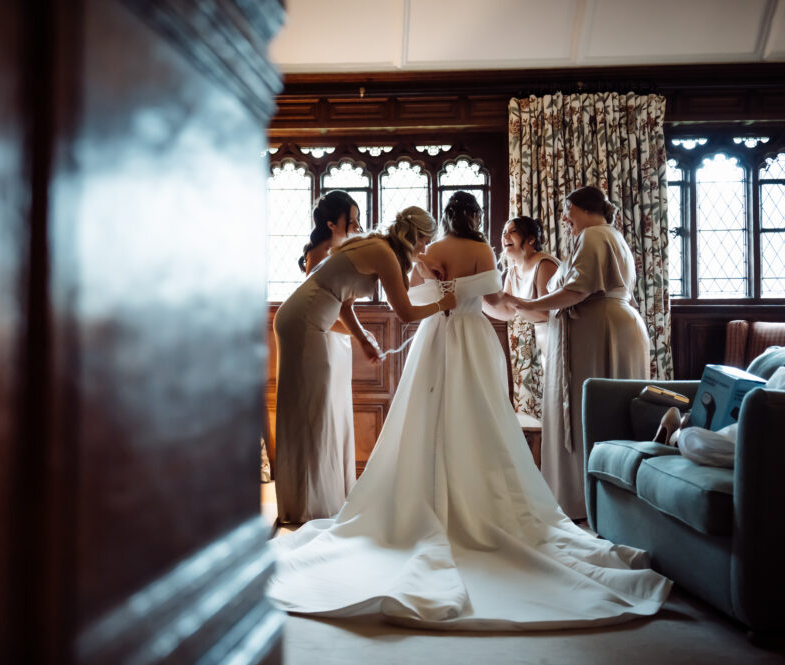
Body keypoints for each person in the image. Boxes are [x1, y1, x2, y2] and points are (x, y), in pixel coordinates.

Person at [267, 191, 670, 630]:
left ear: (444, 219)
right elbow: (493, 303)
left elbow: (418, 299)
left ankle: (417, 501)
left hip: (435, 337)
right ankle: (479, 498)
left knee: (424, 415)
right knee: (482, 417)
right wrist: (513, 308)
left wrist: (440, 290)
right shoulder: (481, 250)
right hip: (473, 336)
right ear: (475, 217)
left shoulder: (431, 251)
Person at [273, 205, 455, 524]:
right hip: (303, 323)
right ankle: (305, 507)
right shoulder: (382, 251)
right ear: (414, 235)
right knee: (309, 413)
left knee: (322, 412)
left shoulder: (376, 246)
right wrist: (443, 304)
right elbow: (406, 312)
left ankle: (320, 500)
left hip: (308, 320)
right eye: (425, 241)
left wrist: (362, 337)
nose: (424, 248)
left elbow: (342, 301)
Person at [510, 186, 651, 521]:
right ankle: (596, 501)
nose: (564, 218)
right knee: (603, 412)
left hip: (601, 334)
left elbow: (577, 289)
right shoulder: (608, 235)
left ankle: (586, 502)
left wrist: (529, 304)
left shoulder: (595, 236)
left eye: (568, 209)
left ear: (585, 208)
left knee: (593, 412)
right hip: (606, 329)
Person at [484, 217, 560, 419]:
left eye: (513, 232)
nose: (505, 237)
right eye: (503, 233)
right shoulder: (512, 270)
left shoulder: (544, 264)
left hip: (547, 344)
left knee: (551, 407)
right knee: (529, 410)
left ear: (531, 239)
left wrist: (509, 298)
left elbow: (547, 313)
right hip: (524, 349)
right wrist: (478, 302)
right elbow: (508, 312)